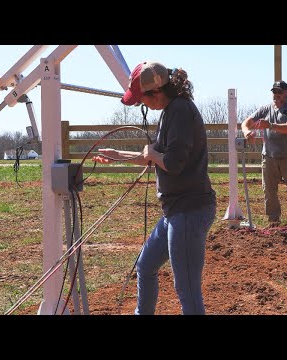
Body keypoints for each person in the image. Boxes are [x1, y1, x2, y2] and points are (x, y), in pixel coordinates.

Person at [92, 61, 217, 315]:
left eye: (142, 100)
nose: (142, 105)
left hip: (188, 211)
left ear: (156, 92)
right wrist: (118, 155)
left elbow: (172, 162)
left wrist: (152, 153)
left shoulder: (181, 111)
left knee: (187, 290)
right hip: (174, 211)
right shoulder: (170, 110)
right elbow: (154, 156)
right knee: (146, 265)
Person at [241, 80, 287, 229]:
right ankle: (273, 220)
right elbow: (246, 123)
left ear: (286, 93)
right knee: (269, 189)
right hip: (269, 156)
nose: (276, 95)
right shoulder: (265, 109)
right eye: (274, 92)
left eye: (279, 92)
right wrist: (246, 132)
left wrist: (269, 125)